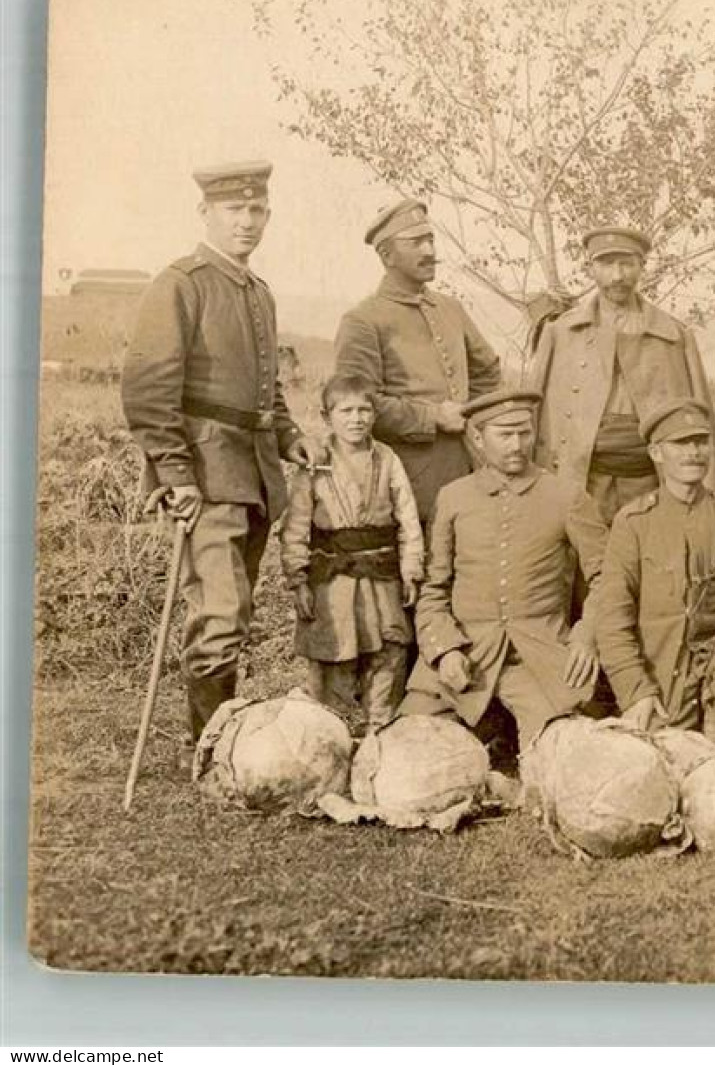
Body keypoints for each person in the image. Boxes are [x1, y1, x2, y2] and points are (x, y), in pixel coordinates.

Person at [121, 160, 320, 742]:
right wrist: (176, 473)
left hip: (253, 473)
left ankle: (212, 739)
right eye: (236, 210)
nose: (249, 221)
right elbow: (147, 389)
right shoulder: (180, 283)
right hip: (205, 476)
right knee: (221, 610)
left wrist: (290, 437)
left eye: (258, 210)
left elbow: (268, 390)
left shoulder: (258, 291)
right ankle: (208, 748)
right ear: (205, 213)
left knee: (236, 607)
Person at [399, 388, 608, 754]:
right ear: (477, 438)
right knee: (410, 748)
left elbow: (607, 577)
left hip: (538, 654)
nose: (517, 445)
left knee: (559, 752)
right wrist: (444, 650)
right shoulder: (453, 498)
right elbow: (434, 588)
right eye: (505, 435)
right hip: (466, 651)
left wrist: (586, 634)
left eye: (525, 433)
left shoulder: (566, 496)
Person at [592, 398, 715, 740]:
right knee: (658, 750)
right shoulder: (633, 522)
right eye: (681, 443)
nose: (694, 452)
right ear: (656, 453)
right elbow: (613, 617)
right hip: (659, 667)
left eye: (701, 442)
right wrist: (636, 690)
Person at [525, 227, 715, 525]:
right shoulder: (560, 332)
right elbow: (532, 411)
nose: (617, 275)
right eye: (606, 264)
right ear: (590, 268)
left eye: (627, 264)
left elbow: (702, 417)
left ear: (642, 266)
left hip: (649, 479)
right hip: (582, 478)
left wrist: (713, 491)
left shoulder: (674, 336)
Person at [333, 198, 503, 527]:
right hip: (404, 476)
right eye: (416, 243)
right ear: (386, 255)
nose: (428, 251)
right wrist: (434, 416)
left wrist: (473, 416)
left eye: (430, 240)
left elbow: (488, 374)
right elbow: (355, 404)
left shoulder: (450, 308)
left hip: (470, 466)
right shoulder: (363, 320)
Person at [280, 375, 425, 734]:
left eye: (364, 410)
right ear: (327, 416)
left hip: (381, 575)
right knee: (336, 654)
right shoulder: (315, 462)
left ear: (374, 415)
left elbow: (408, 518)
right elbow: (295, 526)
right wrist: (298, 579)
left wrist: (410, 569)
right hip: (333, 580)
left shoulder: (387, 459)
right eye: (346, 411)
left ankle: (380, 731)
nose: (356, 419)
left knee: (388, 650)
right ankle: (335, 734)